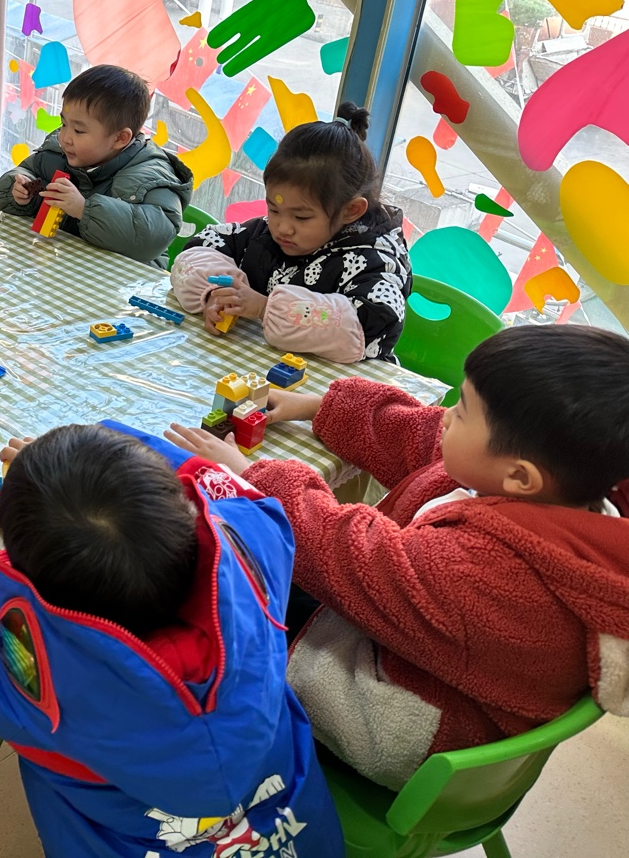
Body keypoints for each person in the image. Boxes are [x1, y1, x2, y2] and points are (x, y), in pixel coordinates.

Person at [166, 324, 629, 791]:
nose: (445, 417)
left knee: (211, 598)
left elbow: (348, 555)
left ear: (520, 477)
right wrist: (316, 406)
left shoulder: (488, 573)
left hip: (403, 721)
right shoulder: (557, 489)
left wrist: (254, 477)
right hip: (414, 644)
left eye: (463, 412)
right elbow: (423, 436)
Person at [0, 419, 342, 858]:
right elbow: (222, 484)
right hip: (301, 837)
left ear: (24, 576)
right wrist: (98, 455)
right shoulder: (255, 544)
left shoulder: (28, 660)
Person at [170, 103, 410, 362]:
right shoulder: (265, 233)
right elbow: (199, 250)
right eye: (274, 209)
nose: (282, 227)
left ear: (351, 210)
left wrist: (264, 308)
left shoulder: (377, 262)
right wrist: (217, 293)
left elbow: (365, 326)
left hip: (338, 384)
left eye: (301, 217)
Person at [0, 64, 194, 268]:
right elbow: (17, 179)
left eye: (78, 131)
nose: (65, 137)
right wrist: (19, 192)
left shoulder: (153, 175)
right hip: (62, 266)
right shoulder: (57, 153)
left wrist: (84, 209)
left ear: (120, 138)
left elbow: (152, 237)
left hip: (124, 280)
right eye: (64, 124)